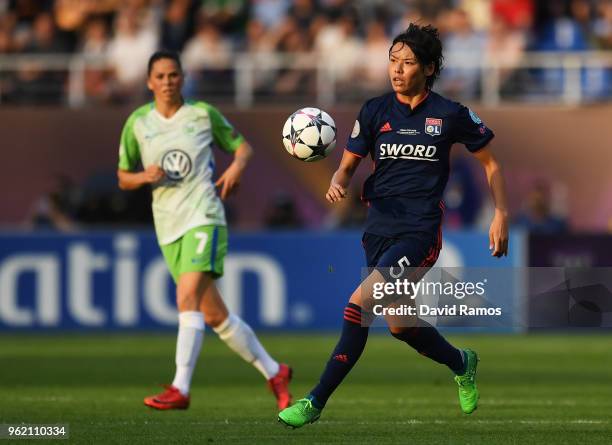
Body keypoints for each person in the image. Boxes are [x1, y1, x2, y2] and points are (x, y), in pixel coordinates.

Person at [278, 23, 509, 428]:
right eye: (392, 61)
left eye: (407, 62)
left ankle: (314, 401)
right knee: (401, 325)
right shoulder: (374, 111)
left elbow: (491, 163)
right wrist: (337, 182)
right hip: (377, 228)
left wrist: (501, 213)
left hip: (419, 233)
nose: (397, 70)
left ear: (430, 68)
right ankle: (461, 361)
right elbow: (347, 166)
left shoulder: (450, 115)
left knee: (359, 305)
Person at [117, 50, 292, 411]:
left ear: (183, 78)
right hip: (168, 226)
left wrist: (236, 169)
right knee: (214, 315)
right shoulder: (137, 123)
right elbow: (122, 177)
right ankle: (275, 372)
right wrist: (142, 176)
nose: (168, 82)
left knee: (186, 298)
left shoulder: (202, 114)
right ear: (150, 82)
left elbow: (243, 148)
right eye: (161, 76)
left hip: (204, 216)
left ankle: (180, 387)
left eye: (174, 75)